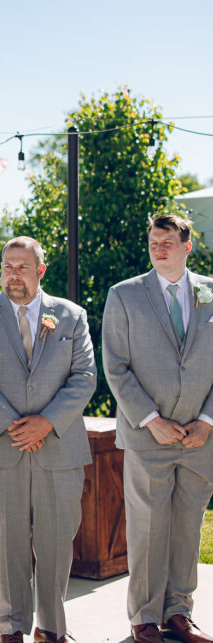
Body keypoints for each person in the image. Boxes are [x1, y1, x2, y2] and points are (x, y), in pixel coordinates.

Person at [0, 236, 96, 643]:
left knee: (57, 544)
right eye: (6, 266)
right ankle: (12, 628)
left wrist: (46, 423)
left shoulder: (71, 315)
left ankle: (52, 628)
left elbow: (84, 377)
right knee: (8, 546)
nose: (12, 274)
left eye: (21, 266)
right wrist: (15, 425)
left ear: (40, 270)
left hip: (59, 446)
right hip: (1, 446)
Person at [102, 214, 213, 643]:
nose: (159, 248)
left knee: (188, 526)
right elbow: (116, 366)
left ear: (188, 246)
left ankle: (179, 614)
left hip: (201, 438)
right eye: (153, 240)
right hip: (149, 435)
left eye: (168, 241)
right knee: (148, 527)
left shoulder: (210, 292)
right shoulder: (125, 295)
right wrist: (152, 420)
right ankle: (144, 619)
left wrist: (206, 421)